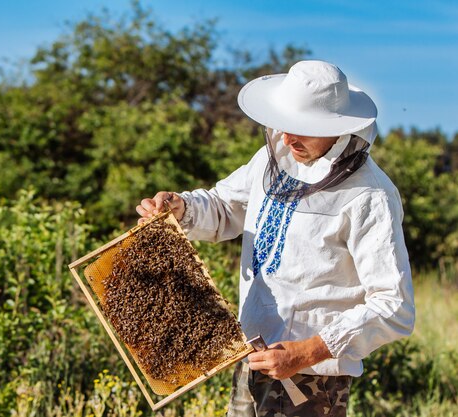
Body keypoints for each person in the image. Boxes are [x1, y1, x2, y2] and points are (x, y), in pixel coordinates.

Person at [136, 60, 415, 416]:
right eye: (285, 126)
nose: (287, 138)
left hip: (312, 379)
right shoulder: (278, 157)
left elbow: (394, 307)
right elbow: (226, 206)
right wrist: (182, 207)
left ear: (337, 127)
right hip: (251, 356)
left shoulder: (370, 196)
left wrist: (307, 351)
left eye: (302, 128)